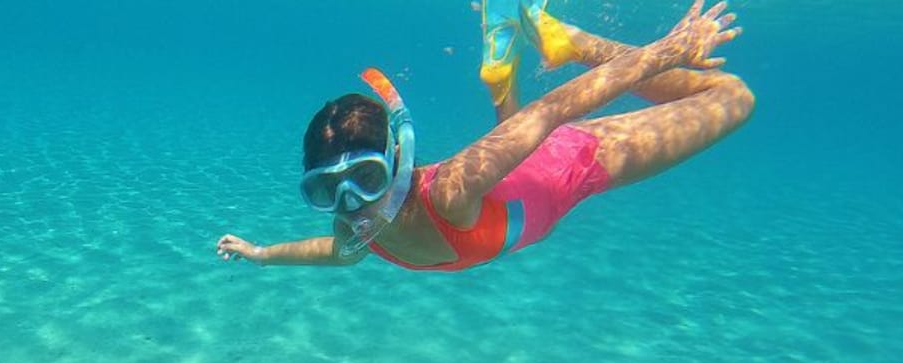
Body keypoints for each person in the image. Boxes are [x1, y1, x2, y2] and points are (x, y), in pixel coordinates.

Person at [214, 0, 754, 272]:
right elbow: (334, 253)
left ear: (397, 157)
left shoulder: (449, 189)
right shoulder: (356, 226)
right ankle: (529, 60)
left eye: (365, 178)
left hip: (583, 161)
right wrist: (262, 254)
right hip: (523, 181)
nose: (351, 202)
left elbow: (554, 110)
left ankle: (575, 44)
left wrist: (670, 49)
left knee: (733, 97)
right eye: (328, 190)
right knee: (514, 150)